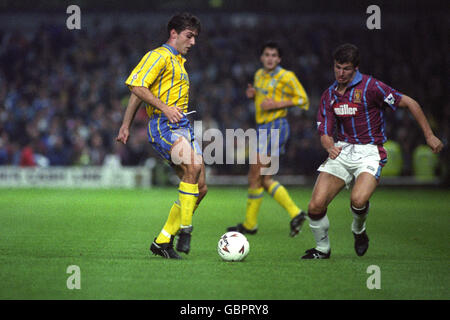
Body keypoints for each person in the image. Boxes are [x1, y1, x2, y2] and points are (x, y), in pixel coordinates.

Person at [302, 43, 443, 259]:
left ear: (356, 68)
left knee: (358, 201)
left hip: (370, 152)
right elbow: (325, 132)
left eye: (346, 68)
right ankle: (322, 250)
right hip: (343, 150)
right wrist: (329, 146)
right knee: (315, 206)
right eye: (338, 67)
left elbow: (411, 103)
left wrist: (429, 135)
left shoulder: (371, 87)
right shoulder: (329, 95)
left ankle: (359, 231)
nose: (341, 72)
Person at [116, 12, 207, 259]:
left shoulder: (178, 61)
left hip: (183, 126)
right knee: (194, 164)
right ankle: (186, 229)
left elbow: (140, 92)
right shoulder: (158, 56)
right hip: (163, 125)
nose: (193, 42)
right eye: (189, 36)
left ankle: (162, 241)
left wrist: (126, 124)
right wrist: (163, 108)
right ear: (174, 33)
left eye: (195, 37)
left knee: (200, 187)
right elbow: (136, 86)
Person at [227, 41, 310, 237]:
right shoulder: (258, 75)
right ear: (261, 57)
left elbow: (303, 100)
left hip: (276, 126)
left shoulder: (286, 76)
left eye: (274, 55)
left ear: (279, 59)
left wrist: (277, 104)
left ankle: (250, 225)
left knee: (254, 176)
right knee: (264, 179)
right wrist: (252, 96)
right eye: (267, 54)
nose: (270, 58)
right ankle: (295, 213)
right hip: (264, 128)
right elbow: (262, 100)